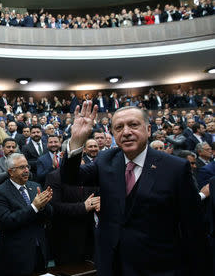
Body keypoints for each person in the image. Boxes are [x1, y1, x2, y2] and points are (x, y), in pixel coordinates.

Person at [62, 102, 205, 275]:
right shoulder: (106, 159)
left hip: (159, 267)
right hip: (112, 265)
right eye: (119, 127)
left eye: (134, 125)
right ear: (113, 134)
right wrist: (77, 140)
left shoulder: (175, 168)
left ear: (148, 130)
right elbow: (70, 177)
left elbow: (193, 227)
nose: (126, 132)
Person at [0, 153, 53, 276]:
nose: (26, 170)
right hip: (16, 255)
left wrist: (44, 205)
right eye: (22, 167)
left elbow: (50, 214)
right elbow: (7, 221)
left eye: (27, 167)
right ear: (11, 172)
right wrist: (34, 207)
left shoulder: (35, 186)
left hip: (39, 250)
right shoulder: (0, 192)